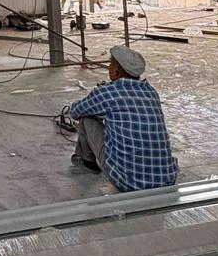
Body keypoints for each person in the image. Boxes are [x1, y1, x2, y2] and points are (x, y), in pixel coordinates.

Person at [69, 45, 178, 192]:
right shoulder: (151, 92)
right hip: (165, 179)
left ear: (116, 70)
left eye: (110, 64)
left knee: (87, 117)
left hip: (127, 180)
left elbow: (76, 112)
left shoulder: (107, 93)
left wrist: (95, 100)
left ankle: (88, 162)